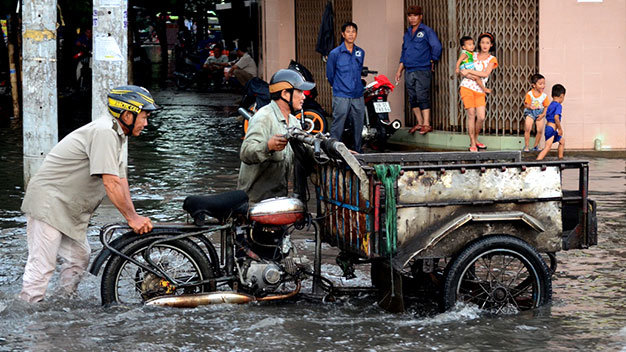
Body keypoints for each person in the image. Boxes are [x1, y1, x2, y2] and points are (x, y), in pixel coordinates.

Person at [18, 85, 158, 303]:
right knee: (42, 266)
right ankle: (28, 317)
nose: (146, 123)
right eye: (144, 116)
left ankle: (65, 302)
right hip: (49, 203)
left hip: (66, 208)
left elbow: (121, 181)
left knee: (79, 257)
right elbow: (110, 183)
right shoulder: (104, 132)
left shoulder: (116, 134)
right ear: (128, 114)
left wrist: (134, 216)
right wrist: (132, 219)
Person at [238, 69, 315, 203]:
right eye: (300, 92)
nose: (304, 97)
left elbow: (307, 149)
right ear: (285, 94)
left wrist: (336, 150)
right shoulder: (263, 118)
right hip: (255, 202)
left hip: (278, 199)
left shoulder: (293, 121)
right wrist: (268, 146)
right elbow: (246, 152)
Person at [395, 5, 442, 135]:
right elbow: (404, 52)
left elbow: (436, 46)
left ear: (420, 17)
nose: (412, 18)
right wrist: (399, 70)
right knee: (412, 97)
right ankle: (420, 122)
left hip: (422, 69)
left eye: (415, 15)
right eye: (410, 16)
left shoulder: (427, 31)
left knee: (422, 95)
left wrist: (432, 60)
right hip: (409, 69)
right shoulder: (407, 33)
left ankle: (426, 123)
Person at [326, 21, 365, 153]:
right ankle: (334, 150)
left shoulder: (360, 52)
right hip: (341, 94)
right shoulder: (335, 53)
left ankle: (357, 151)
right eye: (348, 31)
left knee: (358, 124)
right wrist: (338, 86)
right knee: (338, 123)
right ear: (343, 34)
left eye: (353, 31)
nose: (351, 34)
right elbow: (330, 75)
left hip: (357, 94)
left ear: (356, 34)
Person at [459, 32, 498, 152]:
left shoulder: (492, 59)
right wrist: (463, 71)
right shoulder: (472, 54)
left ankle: (476, 138)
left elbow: (486, 73)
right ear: (479, 44)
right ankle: (472, 142)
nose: (484, 45)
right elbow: (461, 68)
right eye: (482, 42)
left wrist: (469, 72)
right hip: (467, 87)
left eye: (487, 43)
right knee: (471, 114)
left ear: (491, 45)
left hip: (480, 89)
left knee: (481, 117)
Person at [537, 84, 566, 160]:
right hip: (551, 129)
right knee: (547, 147)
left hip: (550, 128)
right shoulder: (558, 105)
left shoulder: (550, 105)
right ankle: (537, 162)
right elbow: (556, 118)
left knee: (562, 141)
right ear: (562, 96)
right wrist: (560, 129)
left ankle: (560, 158)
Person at [523, 73, 549, 152]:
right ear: (534, 85)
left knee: (540, 130)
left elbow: (546, 106)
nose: (543, 86)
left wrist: (543, 114)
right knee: (528, 128)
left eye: (544, 84)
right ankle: (526, 146)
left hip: (540, 113)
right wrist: (530, 106)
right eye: (540, 84)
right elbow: (526, 104)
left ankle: (535, 146)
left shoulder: (544, 96)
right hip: (530, 112)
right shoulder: (529, 94)